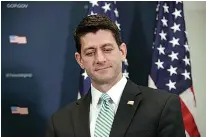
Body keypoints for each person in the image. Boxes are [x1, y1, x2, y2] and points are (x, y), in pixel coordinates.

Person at [45, 15, 186, 137]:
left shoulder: (162, 106)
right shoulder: (60, 122)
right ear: (80, 60)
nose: (100, 59)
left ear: (122, 52)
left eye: (107, 49)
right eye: (89, 53)